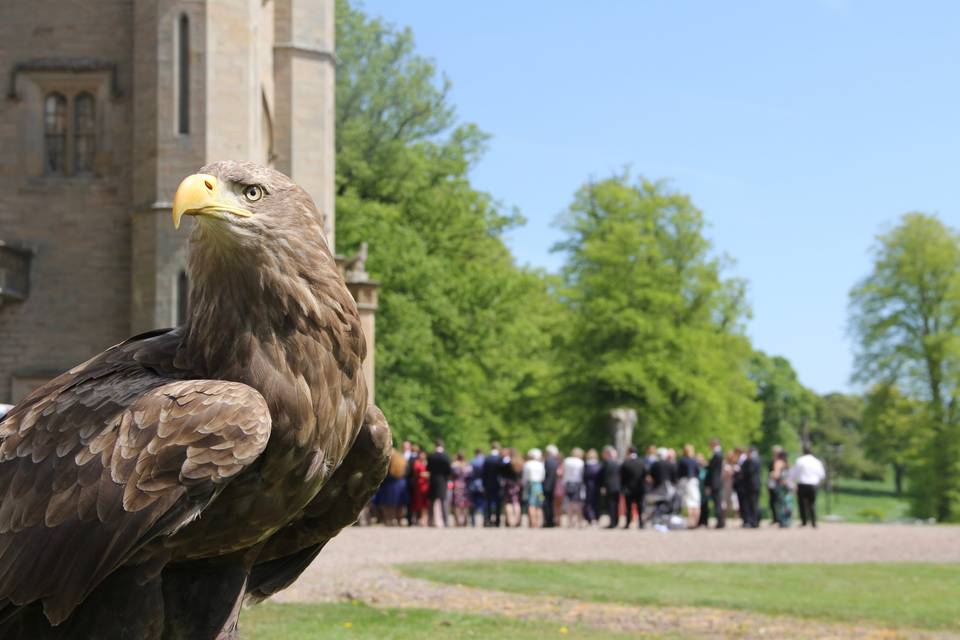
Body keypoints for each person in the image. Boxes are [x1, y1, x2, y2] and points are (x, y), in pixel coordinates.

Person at [790, 444, 826, 527]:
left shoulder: (800, 460)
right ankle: (814, 522)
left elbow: (794, 473)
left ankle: (804, 521)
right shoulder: (817, 461)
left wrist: (792, 481)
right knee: (812, 503)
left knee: (802, 503)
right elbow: (822, 475)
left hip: (802, 483)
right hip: (813, 484)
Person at [700, 438, 725, 528]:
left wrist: (705, 465)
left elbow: (712, 470)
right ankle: (720, 522)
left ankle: (720, 522)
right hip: (717, 481)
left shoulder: (717, 454)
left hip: (714, 482)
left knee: (717, 503)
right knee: (718, 502)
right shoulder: (719, 454)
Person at [427, 439, 452, 527]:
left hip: (433, 480)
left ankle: (430, 520)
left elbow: (428, 469)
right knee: (443, 502)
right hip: (443, 481)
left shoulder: (431, 456)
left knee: (431, 501)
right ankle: (445, 521)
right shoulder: (446, 456)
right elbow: (449, 470)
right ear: (443, 446)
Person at [620, 446, 646, 529]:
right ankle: (641, 523)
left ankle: (628, 523)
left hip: (628, 488)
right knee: (640, 506)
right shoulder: (641, 462)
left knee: (628, 507)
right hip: (639, 488)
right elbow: (645, 475)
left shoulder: (626, 463)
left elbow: (622, 477)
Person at [677, 444, 701, 528]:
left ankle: (690, 522)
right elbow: (698, 472)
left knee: (688, 503)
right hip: (694, 481)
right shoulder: (695, 460)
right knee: (696, 502)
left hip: (685, 481)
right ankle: (696, 522)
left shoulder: (682, 460)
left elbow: (678, 472)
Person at [523, 448, 546, 528]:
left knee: (531, 504)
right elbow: (543, 477)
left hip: (531, 485)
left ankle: (533, 522)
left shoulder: (527, 464)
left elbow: (525, 477)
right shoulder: (541, 464)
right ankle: (539, 522)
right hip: (539, 485)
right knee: (539, 504)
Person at [482, 442, 504, 527]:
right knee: (498, 503)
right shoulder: (500, 459)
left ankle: (488, 520)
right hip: (498, 484)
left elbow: (483, 473)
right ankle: (497, 521)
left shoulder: (487, 459)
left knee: (488, 503)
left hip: (488, 484)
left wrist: (483, 484)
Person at [563, 448, 585, 528]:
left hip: (568, 483)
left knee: (569, 503)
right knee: (578, 503)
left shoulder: (567, 460)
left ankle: (570, 523)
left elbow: (563, 472)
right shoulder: (580, 462)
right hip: (577, 483)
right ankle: (579, 522)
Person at [740, 446, 762, 528]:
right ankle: (754, 520)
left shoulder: (753, 460)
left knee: (753, 503)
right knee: (753, 503)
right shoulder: (756, 459)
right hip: (753, 485)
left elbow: (748, 471)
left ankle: (755, 521)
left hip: (752, 485)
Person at [769, 448, 792, 527]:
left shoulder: (778, 463)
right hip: (788, 485)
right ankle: (788, 521)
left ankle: (783, 521)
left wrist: (772, 474)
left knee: (782, 503)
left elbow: (776, 475)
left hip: (781, 485)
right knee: (788, 503)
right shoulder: (787, 463)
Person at [501, 448, 524, 527]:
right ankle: (517, 520)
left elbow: (502, 474)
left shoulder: (507, 464)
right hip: (517, 485)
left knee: (508, 503)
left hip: (509, 485)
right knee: (517, 503)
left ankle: (510, 520)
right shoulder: (521, 463)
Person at [601, 446, 621, 528]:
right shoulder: (618, 462)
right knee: (616, 505)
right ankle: (615, 522)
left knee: (611, 505)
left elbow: (605, 476)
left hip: (609, 486)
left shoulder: (607, 463)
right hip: (617, 486)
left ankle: (612, 523)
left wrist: (603, 487)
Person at [582, 448, 602, 526]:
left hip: (588, 486)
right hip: (597, 486)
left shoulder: (586, 465)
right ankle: (596, 517)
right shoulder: (599, 465)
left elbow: (583, 476)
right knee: (596, 502)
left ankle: (591, 518)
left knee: (589, 503)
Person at [410, 449, 430, 526]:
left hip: (426, 485)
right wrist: (427, 474)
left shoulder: (426, 462)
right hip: (419, 485)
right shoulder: (417, 463)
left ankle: (424, 519)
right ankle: (416, 519)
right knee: (418, 502)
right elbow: (418, 473)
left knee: (425, 503)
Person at [450, 452, 471, 527]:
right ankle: (465, 520)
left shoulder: (454, 465)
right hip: (465, 486)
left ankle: (457, 521)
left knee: (456, 504)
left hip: (456, 485)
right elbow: (470, 476)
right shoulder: (467, 465)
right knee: (465, 504)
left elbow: (451, 475)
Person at [542, 444, 561, 527]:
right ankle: (553, 521)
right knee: (554, 504)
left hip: (546, 485)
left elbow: (544, 474)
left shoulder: (546, 461)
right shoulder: (557, 461)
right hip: (555, 485)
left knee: (546, 504)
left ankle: (548, 521)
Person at [468, 448, 486, 526]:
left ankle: (473, 522)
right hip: (483, 484)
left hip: (473, 484)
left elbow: (469, 473)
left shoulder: (471, 461)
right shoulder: (484, 461)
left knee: (473, 504)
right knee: (484, 503)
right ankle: (484, 520)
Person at [768, 446, 784, 526]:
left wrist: (773, 474)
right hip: (772, 484)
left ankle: (781, 518)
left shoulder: (780, 462)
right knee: (772, 502)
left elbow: (777, 474)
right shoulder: (772, 461)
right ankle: (775, 518)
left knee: (779, 502)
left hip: (778, 484)